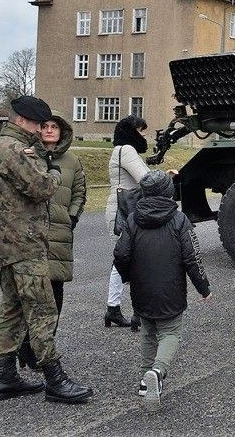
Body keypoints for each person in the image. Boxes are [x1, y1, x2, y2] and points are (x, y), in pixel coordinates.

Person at [0, 95, 92, 403]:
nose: (38, 129)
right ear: (21, 121)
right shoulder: (15, 150)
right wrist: (52, 169)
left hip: (8, 245)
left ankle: (5, 377)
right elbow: (43, 188)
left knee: (13, 309)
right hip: (24, 244)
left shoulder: (3, 146)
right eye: (35, 124)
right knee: (42, 309)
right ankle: (55, 379)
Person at [113, 170, 211, 410]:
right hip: (171, 289)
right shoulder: (179, 220)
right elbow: (192, 257)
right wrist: (203, 287)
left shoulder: (133, 219)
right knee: (170, 333)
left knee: (148, 331)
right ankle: (157, 372)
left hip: (141, 287)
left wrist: (127, 276)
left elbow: (121, 253)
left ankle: (145, 381)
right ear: (169, 192)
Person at [16, 111, 87, 371]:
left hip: (60, 234)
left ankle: (44, 347)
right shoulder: (27, 155)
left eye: (53, 126)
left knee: (55, 293)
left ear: (61, 131)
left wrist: (71, 217)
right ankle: (25, 346)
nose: (48, 130)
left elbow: (80, 191)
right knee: (30, 293)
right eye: (44, 126)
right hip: (31, 235)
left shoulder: (72, 160)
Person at [105, 115, 150, 330]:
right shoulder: (127, 151)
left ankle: (113, 309)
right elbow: (145, 179)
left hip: (122, 211)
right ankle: (138, 313)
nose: (144, 135)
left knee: (122, 261)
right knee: (135, 261)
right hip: (126, 213)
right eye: (141, 131)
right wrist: (165, 177)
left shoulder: (120, 150)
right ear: (131, 132)